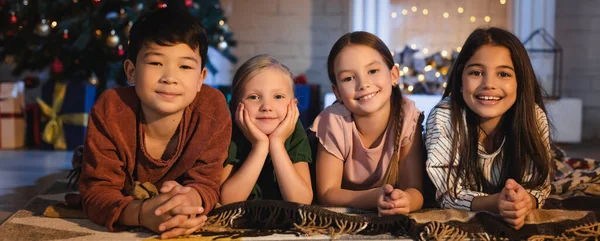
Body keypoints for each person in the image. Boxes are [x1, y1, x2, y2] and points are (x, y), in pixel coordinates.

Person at [79, 7, 231, 239]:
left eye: (185, 66)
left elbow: (208, 182)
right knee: (86, 166)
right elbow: (96, 192)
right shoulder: (111, 109)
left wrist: (190, 200)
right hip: (126, 187)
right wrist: (141, 214)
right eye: (156, 63)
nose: (170, 77)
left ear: (201, 78)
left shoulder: (212, 109)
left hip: (177, 194)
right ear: (131, 72)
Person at [425, 27, 553, 230]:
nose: (489, 84)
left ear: (520, 82)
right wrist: (495, 203)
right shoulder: (444, 117)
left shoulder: (533, 117)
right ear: (460, 80)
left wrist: (525, 200)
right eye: (476, 73)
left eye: (503, 74)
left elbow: (539, 184)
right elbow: (447, 194)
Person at [312, 31, 425, 215]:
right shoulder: (333, 121)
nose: (363, 84)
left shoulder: (407, 117)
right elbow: (327, 193)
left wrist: (406, 201)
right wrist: (374, 197)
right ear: (337, 92)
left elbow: (415, 190)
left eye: (372, 71)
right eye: (348, 78)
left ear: (394, 75)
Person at [220, 54, 313, 205]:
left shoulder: (294, 131)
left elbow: (301, 200)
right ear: (235, 106)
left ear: (293, 105)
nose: (266, 107)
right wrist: (260, 147)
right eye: (254, 97)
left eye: (278, 96)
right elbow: (227, 200)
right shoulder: (231, 132)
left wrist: (277, 144)